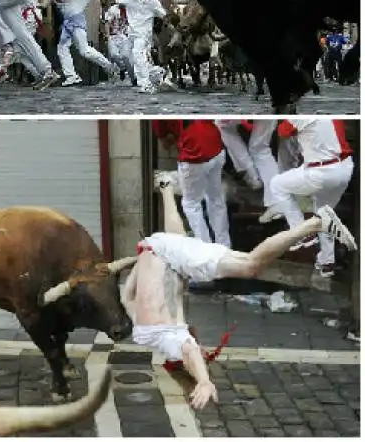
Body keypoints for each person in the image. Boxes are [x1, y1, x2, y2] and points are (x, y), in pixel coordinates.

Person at [121, 173, 356, 409]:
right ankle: (166, 187)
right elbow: (127, 294)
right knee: (180, 241)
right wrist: (141, 256)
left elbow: (189, 350)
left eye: (204, 354)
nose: (203, 350)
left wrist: (203, 381)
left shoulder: (167, 339)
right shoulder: (140, 325)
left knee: (250, 265)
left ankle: (316, 223)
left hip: (168, 255)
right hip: (156, 247)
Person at [267, 119, 355, 277]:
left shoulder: (300, 116)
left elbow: (282, 132)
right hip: (344, 168)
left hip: (320, 171)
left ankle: (302, 232)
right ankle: (327, 262)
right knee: (324, 213)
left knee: (277, 184)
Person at [153, 120, 231, 249]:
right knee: (215, 199)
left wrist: (166, 138)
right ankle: (224, 245)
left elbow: (162, 134)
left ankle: (206, 249)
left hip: (194, 152)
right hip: (215, 145)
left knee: (191, 204)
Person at [35, 0, 118, 87]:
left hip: (76, 21)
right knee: (62, 48)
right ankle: (71, 76)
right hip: (68, 23)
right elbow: (44, 4)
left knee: (84, 50)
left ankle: (109, 67)